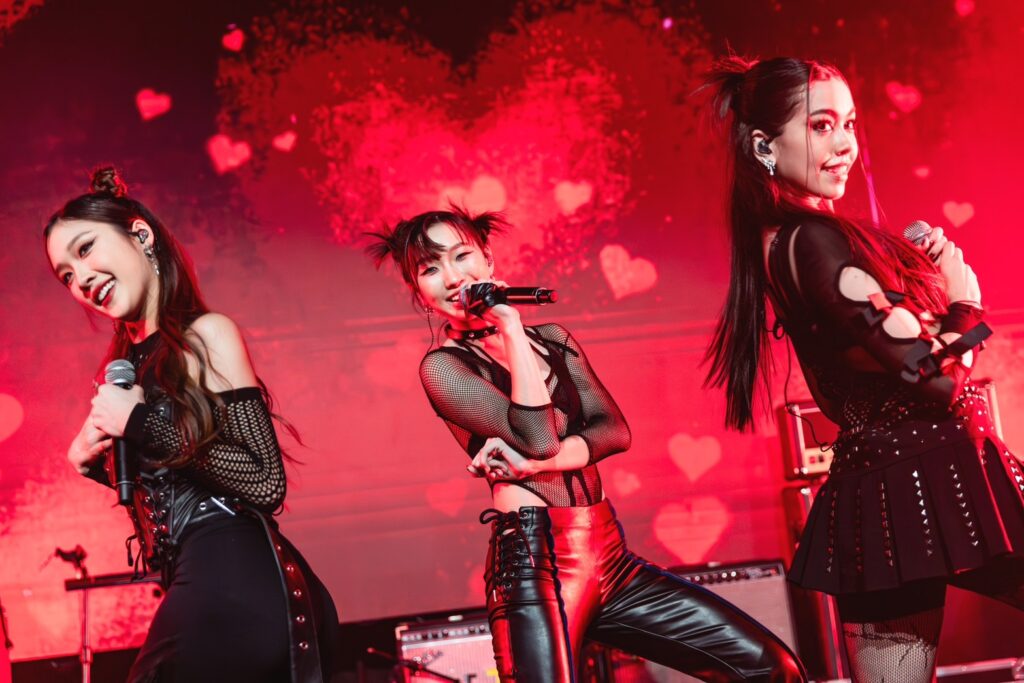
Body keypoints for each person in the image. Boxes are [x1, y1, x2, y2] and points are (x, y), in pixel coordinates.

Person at [368, 208, 804, 682]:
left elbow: (613, 431)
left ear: (488, 259)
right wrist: (510, 329)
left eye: (461, 256)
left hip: (607, 551)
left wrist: (537, 467)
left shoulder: (553, 340)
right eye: (430, 269)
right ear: (417, 291)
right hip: (534, 562)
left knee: (769, 667)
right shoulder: (444, 367)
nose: (453, 278)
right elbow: (538, 439)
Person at [702, 56, 1024, 682]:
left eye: (849, 124)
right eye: (821, 125)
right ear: (764, 146)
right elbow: (935, 378)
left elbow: (872, 367)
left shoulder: (789, 242)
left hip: (880, 497)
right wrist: (966, 305)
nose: (845, 144)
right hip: (939, 476)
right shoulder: (810, 241)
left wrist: (915, 287)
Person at [45, 167, 338, 683]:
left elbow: (264, 482)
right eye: (66, 275)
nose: (81, 279)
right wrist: (95, 466)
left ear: (140, 235)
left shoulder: (207, 335)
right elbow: (174, 481)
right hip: (195, 575)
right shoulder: (127, 369)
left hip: (237, 570)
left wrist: (137, 420)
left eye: (86, 249)